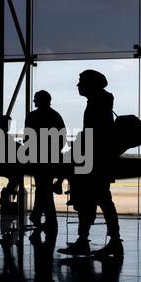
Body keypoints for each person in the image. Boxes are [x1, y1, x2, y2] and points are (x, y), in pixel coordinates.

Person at [58, 70, 123, 258]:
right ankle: (109, 241)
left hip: (94, 161)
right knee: (100, 200)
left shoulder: (97, 104)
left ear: (91, 84)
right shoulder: (101, 102)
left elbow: (95, 135)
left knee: (96, 200)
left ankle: (99, 241)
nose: (78, 85)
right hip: (98, 160)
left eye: (81, 81)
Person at [25, 90, 66, 230]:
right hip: (51, 158)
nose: (34, 101)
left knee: (43, 189)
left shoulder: (32, 116)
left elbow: (28, 139)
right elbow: (62, 138)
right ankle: (46, 218)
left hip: (38, 158)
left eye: (36, 99)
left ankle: (42, 216)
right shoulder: (56, 116)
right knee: (45, 190)